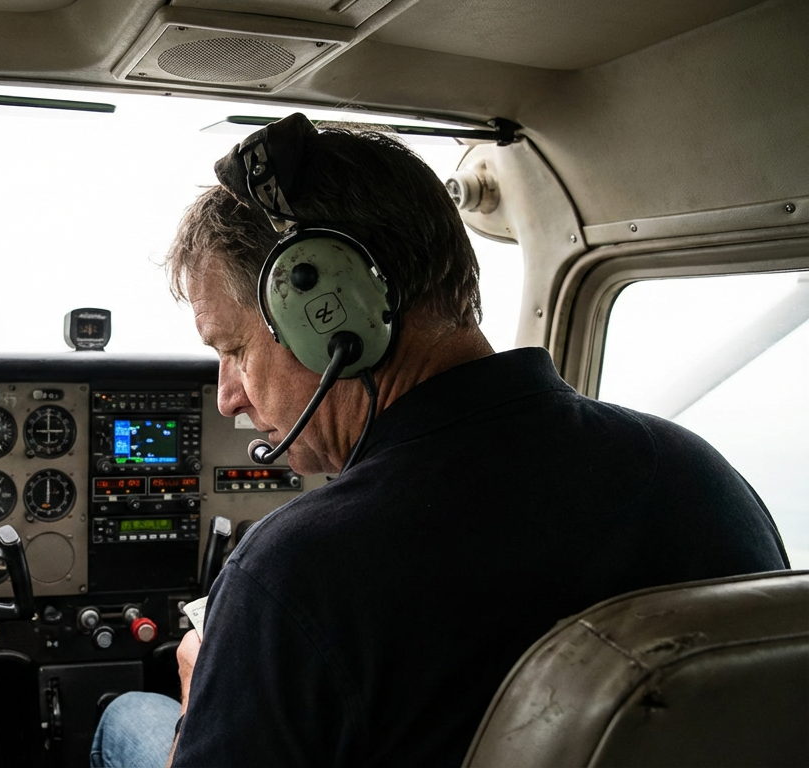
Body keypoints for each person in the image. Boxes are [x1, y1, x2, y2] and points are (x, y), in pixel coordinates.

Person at [90, 113, 789, 767]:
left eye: (234, 348)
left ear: (328, 315)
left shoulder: (298, 573)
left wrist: (200, 703)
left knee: (129, 716)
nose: (227, 396)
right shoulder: (701, 478)